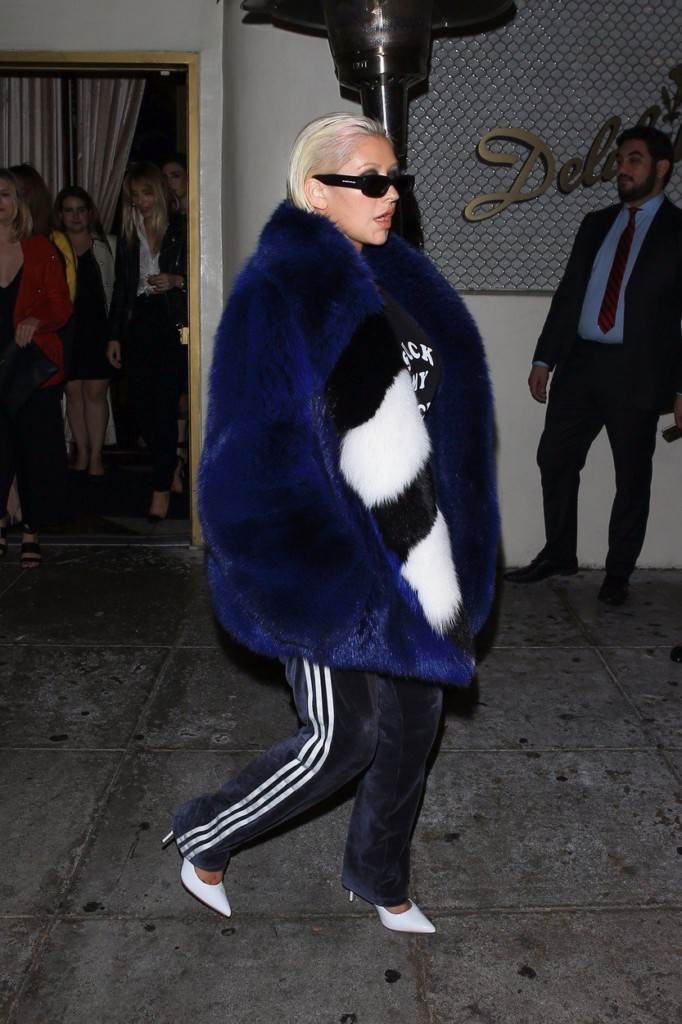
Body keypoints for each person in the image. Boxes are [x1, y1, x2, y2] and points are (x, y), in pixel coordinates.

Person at [162, 113, 498, 933]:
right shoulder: (278, 295)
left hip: (410, 549)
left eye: (396, 181)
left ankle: (378, 875)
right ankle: (205, 834)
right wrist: (308, 576)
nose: (390, 196)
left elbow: (440, 424)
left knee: (414, 724)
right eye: (371, 181)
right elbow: (242, 460)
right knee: (344, 737)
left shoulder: (402, 285)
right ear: (316, 191)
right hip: (327, 563)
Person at [505, 126, 682, 606]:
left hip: (638, 370)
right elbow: (569, 294)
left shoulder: (676, 231)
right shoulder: (596, 223)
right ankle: (559, 552)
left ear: (661, 168)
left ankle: (618, 572)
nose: (622, 168)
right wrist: (544, 357)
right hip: (581, 363)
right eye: (620, 159)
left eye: (634, 160)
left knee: (632, 476)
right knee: (554, 457)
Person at [107, 162, 187, 521]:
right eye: (134, 195)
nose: (141, 201)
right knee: (140, 406)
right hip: (139, 319)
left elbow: (200, 272)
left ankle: (160, 488)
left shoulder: (180, 226)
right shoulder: (129, 232)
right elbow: (121, 287)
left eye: (146, 193)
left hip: (170, 319)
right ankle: (170, 464)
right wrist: (114, 335)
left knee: (165, 405)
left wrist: (176, 280)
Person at [0, 170, 72, 566]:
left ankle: (31, 527)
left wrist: (36, 319)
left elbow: (62, 305)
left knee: (33, 449)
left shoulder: (40, 246)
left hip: (29, 364)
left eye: (4, 193)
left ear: (18, 201)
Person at [53, 187, 116, 478]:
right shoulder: (53, 246)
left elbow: (118, 292)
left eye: (80, 209)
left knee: (96, 392)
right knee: (73, 392)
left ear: (90, 213)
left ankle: (96, 456)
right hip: (66, 331)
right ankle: (81, 451)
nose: (75, 216)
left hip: (99, 330)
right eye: (69, 210)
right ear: (60, 214)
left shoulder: (108, 246)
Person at [161, 154, 190, 496]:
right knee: (172, 394)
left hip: (188, 317)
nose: (170, 183)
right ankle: (175, 462)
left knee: (185, 392)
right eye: (165, 177)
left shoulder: (194, 218)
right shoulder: (166, 221)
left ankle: (181, 460)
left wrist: (178, 281)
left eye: (176, 175)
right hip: (167, 318)